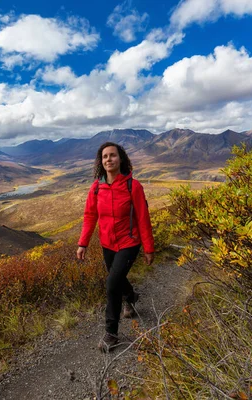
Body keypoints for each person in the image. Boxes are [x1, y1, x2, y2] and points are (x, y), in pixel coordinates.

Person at [76, 142, 154, 352]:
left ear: (121, 159)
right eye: (105, 157)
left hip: (129, 242)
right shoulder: (96, 188)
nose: (109, 159)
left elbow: (143, 218)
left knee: (112, 283)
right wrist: (83, 243)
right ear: (101, 162)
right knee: (117, 278)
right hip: (107, 243)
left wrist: (149, 248)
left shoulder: (133, 186)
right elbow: (90, 216)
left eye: (113, 155)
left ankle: (111, 334)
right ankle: (130, 298)